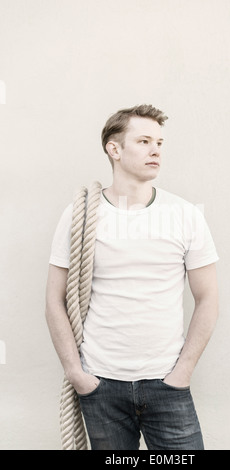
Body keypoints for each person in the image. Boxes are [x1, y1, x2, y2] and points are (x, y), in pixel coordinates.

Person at [45, 104, 219, 450]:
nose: (156, 149)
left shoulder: (185, 215)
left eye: (159, 142)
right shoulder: (79, 215)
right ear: (114, 149)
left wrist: (181, 373)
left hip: (166, 382)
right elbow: (54, 300)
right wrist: (77, 375)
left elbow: (208, 298)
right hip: (101, 383)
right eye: (143, 141)